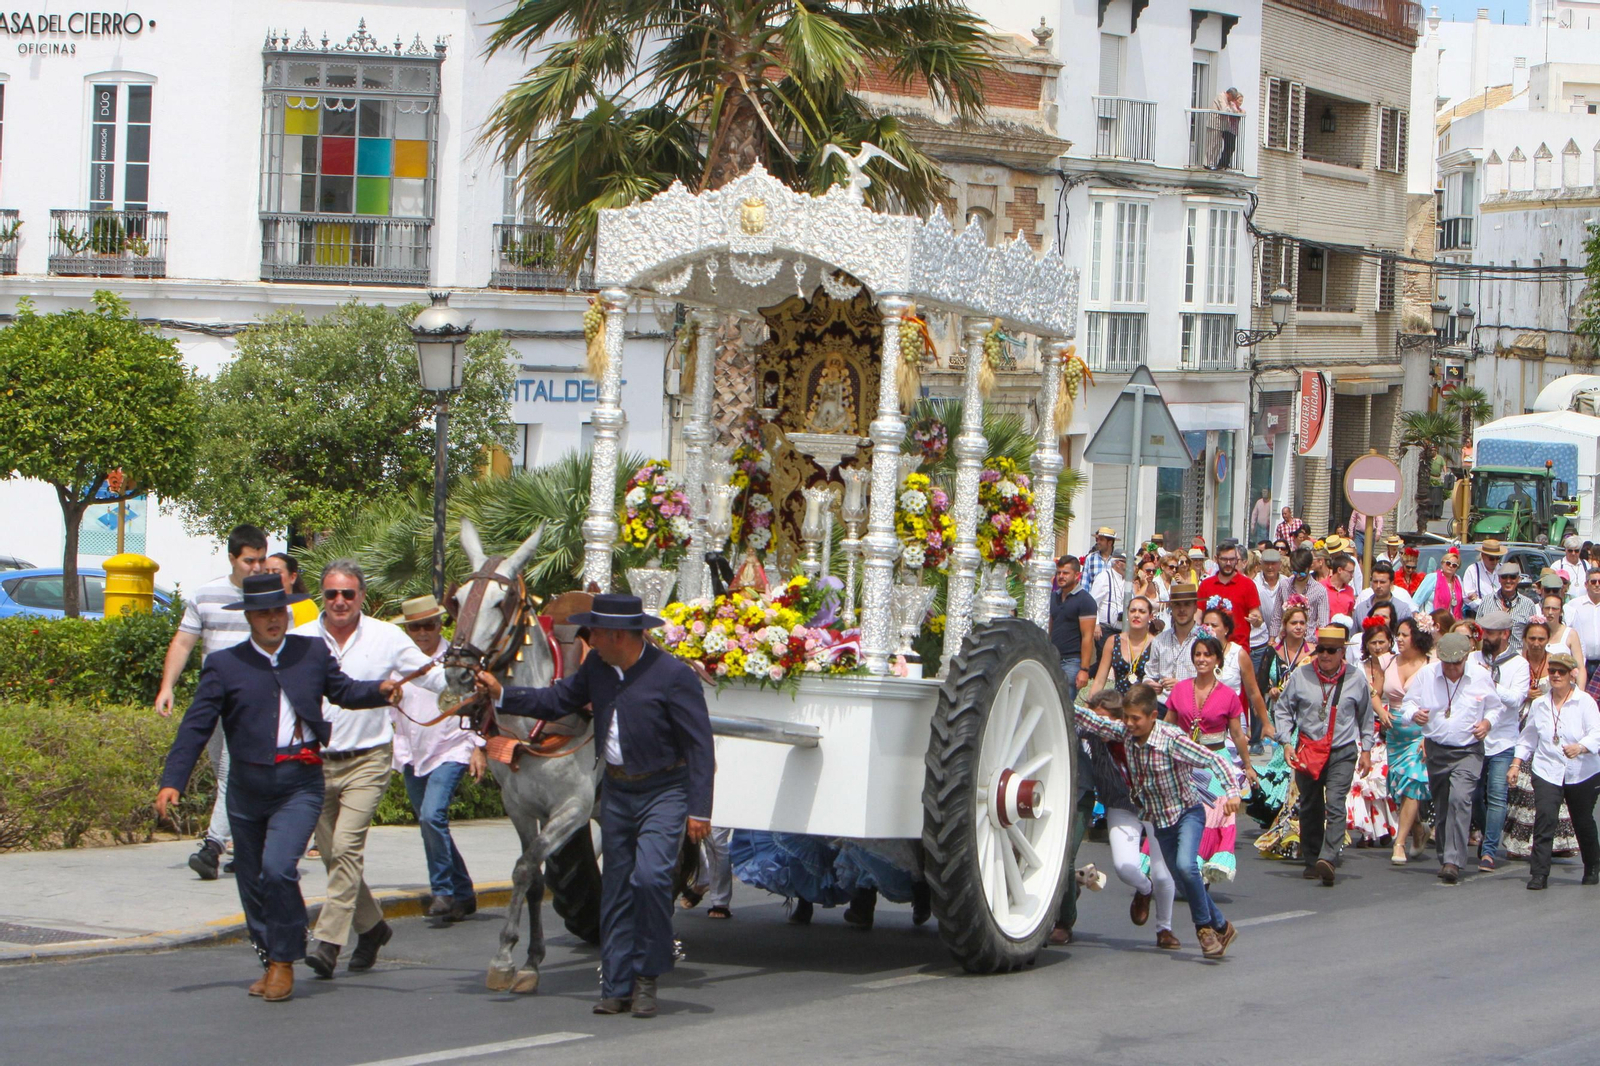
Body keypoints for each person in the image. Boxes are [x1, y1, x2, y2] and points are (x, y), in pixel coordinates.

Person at [153, 574, 400, 1003]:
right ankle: (269, 959)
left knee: (278, 868)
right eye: (263, 612)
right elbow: (197, 725)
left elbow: (342, 691)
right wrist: (172, 781)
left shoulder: (311, 652)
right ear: (249, 617)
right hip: (247, 787)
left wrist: (380, 691)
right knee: (250, 880)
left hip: (299, 782)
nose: (273, 619)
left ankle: (286, 961)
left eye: (278, 611)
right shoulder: (225, 665)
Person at [477, 593, 715, 1017]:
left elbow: (700, 748)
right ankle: (618, 985)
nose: (590, 639)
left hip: (664, 791)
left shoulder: (672, 676)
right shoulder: (597, 668)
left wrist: (699, 810)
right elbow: (555, 701)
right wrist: (503, 696)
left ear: (619, 635)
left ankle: (647, 977)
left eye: (597, 632)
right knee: (618, 890)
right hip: (619, 790)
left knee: (650, 880)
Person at [293, 560, 446, 980]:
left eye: (348, 594)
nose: (339, 601)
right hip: (315, 762)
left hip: (367, 759)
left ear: (362, 596)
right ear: (321, 598)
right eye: (331, 594)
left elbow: (431, 674)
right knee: (331, 856)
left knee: (345, 848)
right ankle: (373, 927)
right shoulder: (301, 638)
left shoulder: (386, 636)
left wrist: (468, 683)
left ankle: (327, 941)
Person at [1072, 683, 1242, 959]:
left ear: (1152, 716)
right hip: (1157, 817)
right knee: (1181, 877)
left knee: (1186, 867)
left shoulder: (1172, 739)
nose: (1129, 724)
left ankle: (1204, 930)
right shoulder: (1125, 734)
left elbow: (1214, 761)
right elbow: (1089, 719)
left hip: (1187, 813)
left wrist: (1233, 792)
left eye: (1135, 718)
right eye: (1126, 718)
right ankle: (1222, 924)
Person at [154, 524, 269, 881]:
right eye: (250, 560)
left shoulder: (270, 598)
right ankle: (248, 844)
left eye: (262, 560)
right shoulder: (206, 595)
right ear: (232, 558)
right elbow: (184, 642)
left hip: (253, 704)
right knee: (230, 776)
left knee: (229, 771)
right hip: (215, 700)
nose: (257, 568)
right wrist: (167, 687)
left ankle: (213, 846)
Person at [389, 594, 485, 922]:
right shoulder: (398, 661)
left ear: (440, 624)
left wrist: (477, 746)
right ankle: (463, 891)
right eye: (415, 627)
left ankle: (442, 891)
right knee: (431, 824)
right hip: (412, 751)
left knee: (432, 817)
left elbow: (478, 704)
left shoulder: (457, 661)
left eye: (428, 625)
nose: (422, 633)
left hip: (452, 745)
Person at [1272, 625, 1376, 886]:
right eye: (1321, 650)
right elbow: (1283, 710)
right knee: (1310, 805)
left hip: (1342, 750)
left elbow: (1365, 716)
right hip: (1308, 749)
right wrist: (1285, 742)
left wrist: (1366, 750)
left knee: (1336, 803)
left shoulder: (1356, 678)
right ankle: (1312, 859)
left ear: (1342, 652)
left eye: (1331, 651)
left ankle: (1328, 858)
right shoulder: (1300, 676)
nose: (1325, 655)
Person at [1400, 632, 1505, 884]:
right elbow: (1407, 704)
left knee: (1460, 799)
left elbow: (1496, 706)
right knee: (1443, 803)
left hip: (1468, 750)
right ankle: (1445, 855)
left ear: (1466, 658)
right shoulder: (1427, 674)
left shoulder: (1480, 676)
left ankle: (1453, 861)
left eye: (1456, 663)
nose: (1450, 668)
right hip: (1437, 748)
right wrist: (1415, 714)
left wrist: (1487, 723)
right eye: (1446, 663)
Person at [1078, 690, 1180, 949]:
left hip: (1155, 806)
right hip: (1120, 806)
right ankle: (1144, 890)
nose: (1098, 725)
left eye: (1104, 720)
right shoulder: (1090, 734)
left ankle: (1164, 930)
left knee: (1162, 872)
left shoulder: (1142, 736)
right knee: (1125, 867)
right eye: (1094, 719)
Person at [1165, 635, 1257, 883]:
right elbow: (1167, 727)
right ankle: (1179, 865)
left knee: (1212, 814)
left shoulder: (1228, 695)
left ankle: (1202, 867)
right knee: (1181, 813)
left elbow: (1237, 734)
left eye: (1207, 654)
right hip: (1184, 761)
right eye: (1198, 654)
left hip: (1216, 761)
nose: (1202, 659)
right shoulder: (1180, 689)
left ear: (1217, 659)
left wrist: (1247, 766)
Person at [1507, 650, 1600, 890]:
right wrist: (1516, 764)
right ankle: (1539, 874)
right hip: (1547, 769)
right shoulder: (1539, 704)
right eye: (1552, 671)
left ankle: (1592, 865)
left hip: (1581, 772)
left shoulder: (1585, 702)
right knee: (1545, 818)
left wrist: (1581, 747)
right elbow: (1527, 739)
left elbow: (1597, 734)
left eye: (1561, 671)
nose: (1556, 675)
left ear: (1572, 675)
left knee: (1582, 821)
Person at [1470, 609, 1532, 872]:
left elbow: (1516, 699)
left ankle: (1490, 850)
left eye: (1492, 633)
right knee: (1471, 795)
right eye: (1484, 632)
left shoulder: (1519, 664)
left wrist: (1490, 681)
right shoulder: (1473, 658)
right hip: (1475, 737)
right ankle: (1489, 833)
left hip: (1504, 740)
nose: (1486, 636)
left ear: (1505, 634)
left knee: (1497, 796)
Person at [1384, 616, 1435, 864]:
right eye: (1398, 635)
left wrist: (1429, 735)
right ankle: (1417, 828)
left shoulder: (1431, 664)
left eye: (1405, 634)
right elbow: (1374, 689)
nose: (1400, 639)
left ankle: (1399, 843)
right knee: (1398, 788)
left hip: (1419, 733)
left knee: (1413, 782)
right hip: (1394, 733)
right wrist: (1380, 710)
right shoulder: (1388, 660)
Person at [1346, 622, 1399, 850]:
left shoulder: (1396, 665)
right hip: (1362, 727)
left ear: (1390, 642)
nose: (1378, 647)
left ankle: (1387, 828)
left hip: (1389, 727)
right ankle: (1367, 831)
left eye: (1382, 642)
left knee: (1381, 780)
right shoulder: (1359, 667)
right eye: (1373, 642)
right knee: (1362, 780)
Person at [1199, 606, 1270, 739]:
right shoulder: (1197, 653)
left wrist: (1266, 723)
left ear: (1226, 629)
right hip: (1203, 720)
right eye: (1206, 624)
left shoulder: (1238, 653)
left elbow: (1253, 692)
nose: (1209, 629)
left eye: (1214, 625)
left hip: (1233, 720)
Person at [1051, 555, 1097, 706]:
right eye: (1059, 573)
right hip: (1053, 658)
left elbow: (1087, 637)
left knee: (1064, 707)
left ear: (1077, 575)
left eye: (1065, 573)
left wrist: (1084, 669)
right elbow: (1050, 629)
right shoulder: (1053, 598)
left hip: (1072, 661)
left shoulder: (1085, 600)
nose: (1061, 576)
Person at [1198, 542, 1260, 653]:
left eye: (1232, 560)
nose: (1228, 563)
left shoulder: (1248, 584)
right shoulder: (1206, 585)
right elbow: (1198, 615)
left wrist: (1256, 620)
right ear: (1216, 559)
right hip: (1211, 648)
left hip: (1239, 649)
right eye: (1224, 559)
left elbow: (1257, 616)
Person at [1089, 594, 1155, 698]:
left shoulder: (1156, 644)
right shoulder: (1113, 641)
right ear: (1127, 614)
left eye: (1142, 612)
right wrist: (1089, 708)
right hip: (1119, 706)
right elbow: (1099, 681)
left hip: (1144, 708)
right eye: (1133, 611)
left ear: (1150, 616)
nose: (1136, 615)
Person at [1149, 582, 1201, 702]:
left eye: (1187, 605)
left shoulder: (1206, 639)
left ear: (1195, 607)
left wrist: (1182, 686)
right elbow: (1150, 674)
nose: (1182, 610)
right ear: (1171, 607)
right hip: (1164, 704)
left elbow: (1214, 681)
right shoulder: (1159, 640)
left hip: (1194, 704)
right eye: (1177, 605)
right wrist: (1151, 684)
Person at [1485, 563, 1536, 653]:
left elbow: (1531, 636)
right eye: (1504, 577)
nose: (1508, 581)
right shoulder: (1486, 601)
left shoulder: (1528, 604)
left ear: (1519, 579)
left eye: (1512, 577)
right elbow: (1479, 631)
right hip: (1490, 653)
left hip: (1517, 653)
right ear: (1499, 579)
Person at [1541, 593, 1588, 690]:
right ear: (1542, 610)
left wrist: (1581, 691)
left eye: (1554, 609)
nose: (1550, 612)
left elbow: (1580, 667)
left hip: (1565, 688)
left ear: (1561, 611)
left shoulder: (1570, 634)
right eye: (1547, 608)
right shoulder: (1536, 633)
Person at [1352, 560, 1416, 629]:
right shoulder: (1361, 609)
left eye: (1382, 582)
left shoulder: (1403, 610)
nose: (1378, 586)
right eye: (1375, 582)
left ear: (1391, 584)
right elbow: (1353, 636)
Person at [266, 553, 320, 628]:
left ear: (292, 577)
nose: (270, 577)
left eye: (276, 572)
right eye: (266, 572)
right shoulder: (256, 605)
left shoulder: (304, 605)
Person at [1413, 547, 1467, 620]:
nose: (1451, 566)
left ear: (1457, 568)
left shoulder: (1458, 580)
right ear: (1442, 563)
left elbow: (1463, 604)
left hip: (1452, 623)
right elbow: (1416, 601)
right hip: (1431, 622)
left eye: (1454, 565)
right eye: (1448, 563)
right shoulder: (1432, 577)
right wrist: (1418, 618)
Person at [1567, 568, 1600, 680]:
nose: (1597, 585)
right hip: (1582, 664)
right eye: (1593, 581)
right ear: (1586, 584)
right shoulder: (1574, 605)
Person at [1090, 550, 1128, 645]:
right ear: (1118, 563)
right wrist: (1096, 624)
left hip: (1123, 630)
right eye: (1128, 562)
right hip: (1105, 629)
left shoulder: (1128, 581)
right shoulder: (1103, 577)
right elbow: (1093, 603)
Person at [1462, 539, 1507, 615]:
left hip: (1502, 613)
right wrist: (1486, 605)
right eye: (1491, 558)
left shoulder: (1503, 569)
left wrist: (1478, 599)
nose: (1495, 561)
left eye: (1497, 558)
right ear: (1483, 556)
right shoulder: (1473, 570)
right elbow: (1467, 597)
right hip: (1481, 615)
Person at [1082, 526, 1118, 591]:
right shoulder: (1090, 558)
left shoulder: (1117, 561)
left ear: (1110, 543)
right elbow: (1084, 584)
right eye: (1097, 539)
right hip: (1093, 599)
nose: (1098, 542)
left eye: (1101, 540)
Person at [1322, 553, 1357, 619]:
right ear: (1339, 570)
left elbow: (1349, 614)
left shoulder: (1350, 590)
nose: (1352, 576)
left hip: (1343, 628)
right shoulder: (1320, 587)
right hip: (1324, 628)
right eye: (1350, 572)